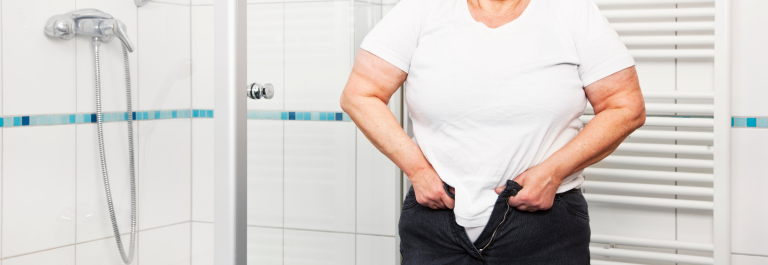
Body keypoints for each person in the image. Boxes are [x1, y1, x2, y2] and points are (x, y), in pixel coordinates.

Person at [340, 0, 645, 263]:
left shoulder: (571, 11)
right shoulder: (421, 9)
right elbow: (360, 94)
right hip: (435, 224)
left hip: (544, 227)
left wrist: (553, 173)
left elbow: (624, 107)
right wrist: (417, 170)